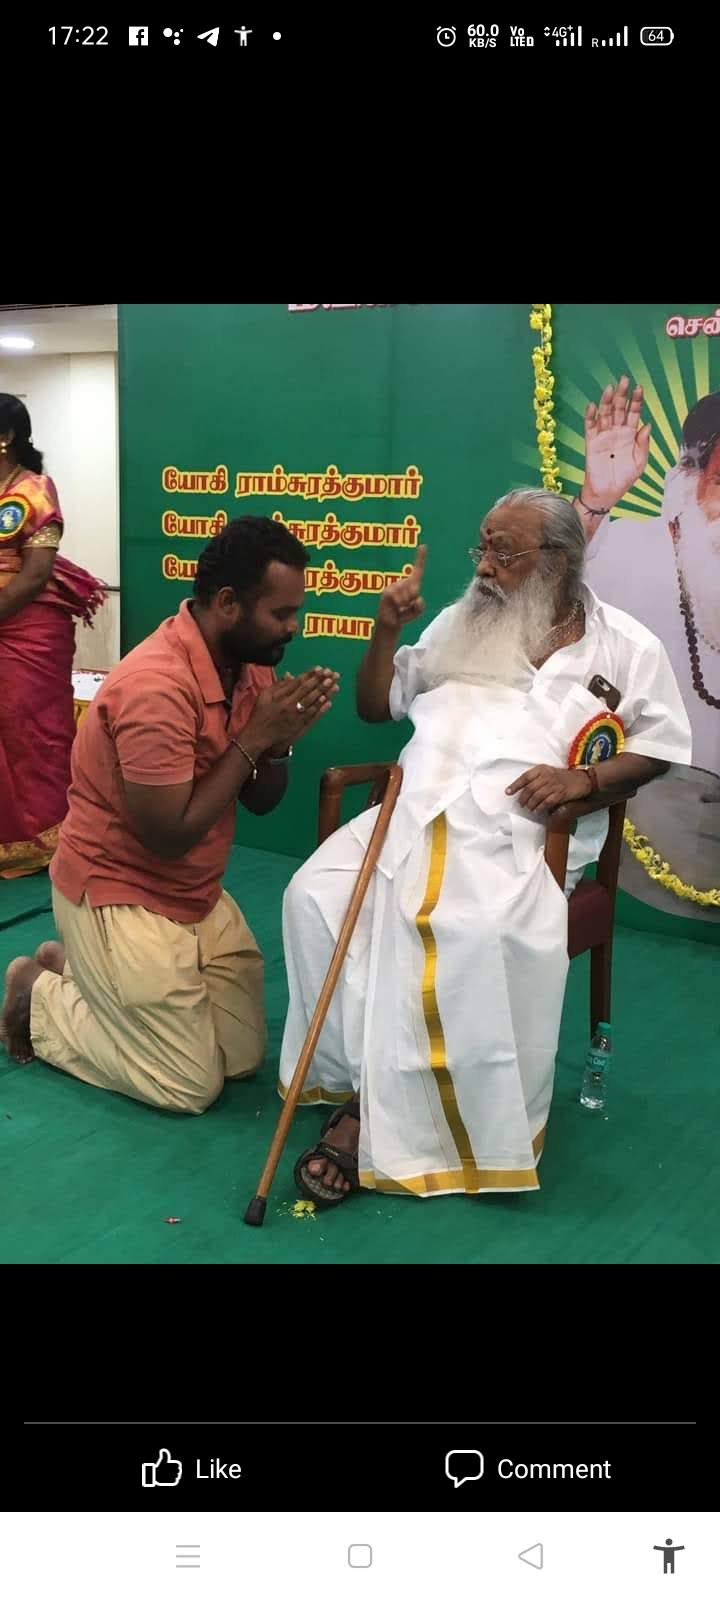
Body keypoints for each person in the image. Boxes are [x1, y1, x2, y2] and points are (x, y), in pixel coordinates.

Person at [279, 489, 691, 1205]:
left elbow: (660, 746)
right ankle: (360, 1075)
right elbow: (376, 707)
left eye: (505, 552)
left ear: (559, 561)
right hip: (411, 811)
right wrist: (384, 631)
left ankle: (394, 1117)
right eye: (483, 546)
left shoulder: (625, 645)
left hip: (522, 833)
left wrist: (584, 778)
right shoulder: (459, 621)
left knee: (460, 927)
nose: (485, 566)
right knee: (313, 896)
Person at [0, 518, 339, 1116]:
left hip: (194, 893)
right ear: (228, 603)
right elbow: (166, 837)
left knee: (239, 1059)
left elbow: (261, 800)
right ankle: (40, 998)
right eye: (281, 613)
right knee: (187, 1084)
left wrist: (278, 745)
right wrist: (253, 738)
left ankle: (86, 977)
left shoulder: (249, 665)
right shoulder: (154, 688)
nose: (294, 627)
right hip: (121, 890)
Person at [578, 376, 720, 775]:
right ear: (688, 477)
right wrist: (594, 500)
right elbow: (545, 581)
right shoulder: (629, 548)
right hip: (645, 792)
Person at [0, 394, 106, 878]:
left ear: (6, 437)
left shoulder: (35, 490)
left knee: (30, 731)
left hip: (27, 629)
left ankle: (43, 838)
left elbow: (36, 573)